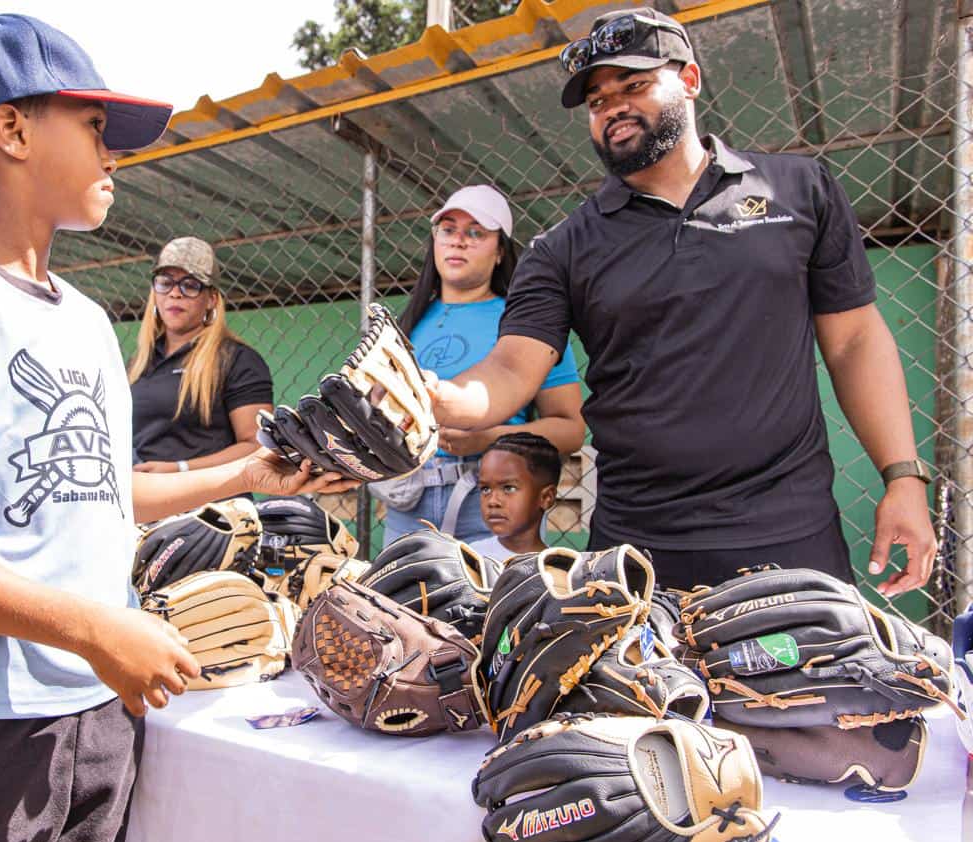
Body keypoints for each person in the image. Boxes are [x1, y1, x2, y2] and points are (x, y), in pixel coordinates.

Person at [0, 15, 349, 842]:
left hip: (92, 703)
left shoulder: (85, 318)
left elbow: (106, 491)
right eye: (92, 127)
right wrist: (93, 627)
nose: (112, 152)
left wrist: (246, 475)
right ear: (11, 128)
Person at [428, 8, 935, 594]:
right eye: (596, 101)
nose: (612, 106)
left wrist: (902, 478)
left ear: (689, 80)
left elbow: (853, 342)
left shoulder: (800, 191)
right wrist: (437, 396)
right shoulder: (564, 247)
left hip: (791, 533)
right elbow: (513, 367)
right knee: (632, 688)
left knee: (809, 687)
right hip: (638, 544)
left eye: (634, 85)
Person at [380, 184, 583, 544]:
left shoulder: (527, 323)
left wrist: (489, 439)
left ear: (500, 251)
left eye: (476, 233)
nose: (459, 241)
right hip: (407, 496)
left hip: (491, 493)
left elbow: (570, 430)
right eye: (448, 230)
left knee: (490, 597)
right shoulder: (408, 322)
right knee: (403, 598)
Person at [129, 236, 273, 474]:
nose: (175, 293)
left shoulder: (238, 360)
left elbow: (257, 446)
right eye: (165, 283)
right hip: (148, 500)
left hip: (210, 504)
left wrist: (180, 468)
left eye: (190, 284)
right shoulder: (139, 362)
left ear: (211, 299)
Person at [470, 432, 562, 562]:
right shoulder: (471, 559)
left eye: (508, 488)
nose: (493, 501)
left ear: (546, 497)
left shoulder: (559, 571)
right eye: (485, 489)